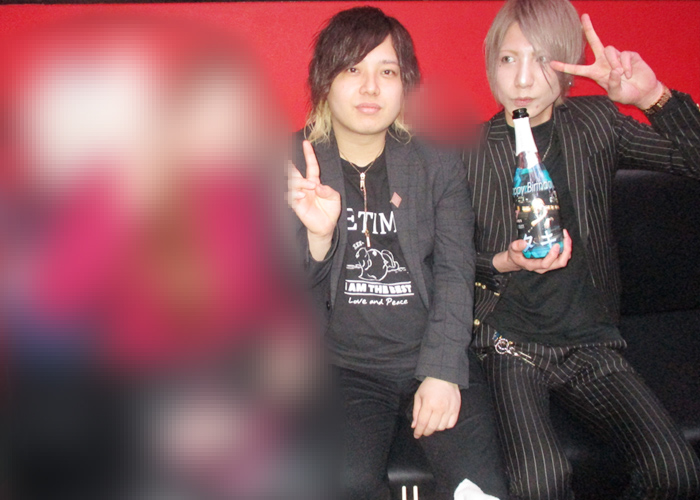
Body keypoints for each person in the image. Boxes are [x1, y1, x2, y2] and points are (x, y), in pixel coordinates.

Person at [465, 0, 700, 498]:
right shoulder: (468, 151)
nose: (522, 78)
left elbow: (692, 160)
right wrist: (505, 260)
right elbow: (449, 260)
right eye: (508, 59)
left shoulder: (596, 122)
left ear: (567, 65)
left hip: (591, 341)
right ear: (490, 63)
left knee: (676, 471)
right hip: (510, 344)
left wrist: (652, 97)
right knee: (540, 482)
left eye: (541, 60)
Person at [287, 6, 507, 500]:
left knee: (480, 491)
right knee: (344, 485)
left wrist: (442, 370)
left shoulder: (435, 163)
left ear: (404, 84)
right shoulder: (293, 163)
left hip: (427, 352)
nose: (371, 87)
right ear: (325, 81)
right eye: (353, 69)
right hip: (343, 367)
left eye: (387, 72)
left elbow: (455, 271)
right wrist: (318, 240)